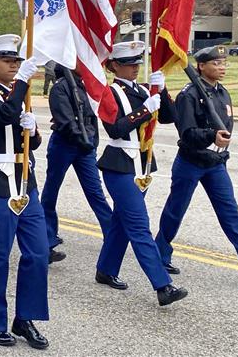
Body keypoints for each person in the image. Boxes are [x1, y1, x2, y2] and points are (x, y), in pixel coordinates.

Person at [155, 45, 238, 287]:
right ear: (201, 66)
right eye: (216, 63)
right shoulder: (189, 95)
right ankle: (160, 254)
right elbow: (187, 132)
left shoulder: (222, 93)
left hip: (215, 163)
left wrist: (219, 145)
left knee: (230, 214)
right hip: (190, 162)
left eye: (224, 63)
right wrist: (211, 135)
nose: (222, 67)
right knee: (175, 211)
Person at [0, 34, 50, 350]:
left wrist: (33, 129)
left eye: (16, 61)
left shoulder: (20, 93)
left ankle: (25, 318)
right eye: (7, 61)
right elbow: (3, 115)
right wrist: (22, 84)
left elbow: (33, 143)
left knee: (39, 253)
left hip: (25, 181)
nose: (14, 66)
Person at [95, 41, 188, 306]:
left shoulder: (146, 89)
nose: (135, 68)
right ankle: (163, 286)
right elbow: (115, 129)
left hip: (143, 164)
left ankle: (106, 269)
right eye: (128, 64)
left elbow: (170, 117)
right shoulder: (109, 92)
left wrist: (162, 89)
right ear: (114, 66)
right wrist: (146, 109)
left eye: (137, 63)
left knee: (121, 222)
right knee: (138, 225)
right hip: (119, 164)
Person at [40, 64, 112, 261]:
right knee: (51, 192)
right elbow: (66, 121)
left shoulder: (87, 84)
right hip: (64, 144)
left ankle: (112, 235)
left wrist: (92, 142)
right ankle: (47, 240)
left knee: (95, 192)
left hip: (85, 144)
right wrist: (83, 140)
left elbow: (92, 117)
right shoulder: (60, 87)